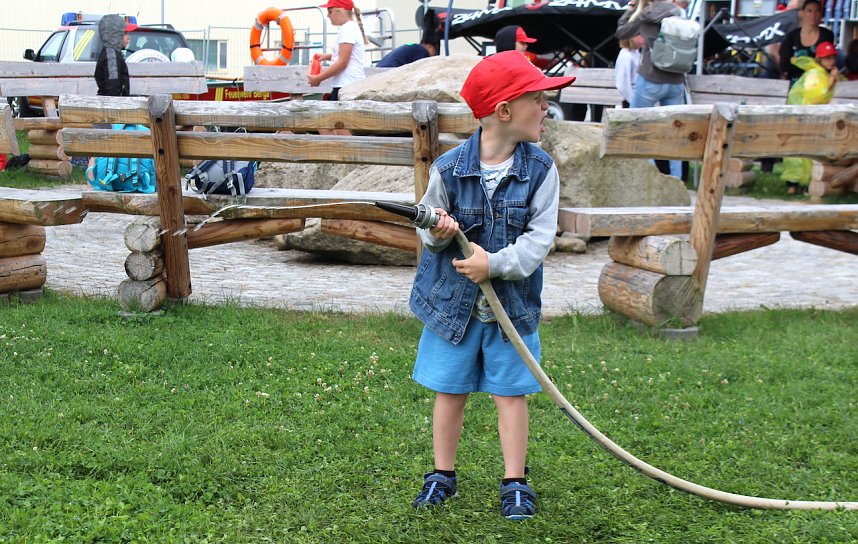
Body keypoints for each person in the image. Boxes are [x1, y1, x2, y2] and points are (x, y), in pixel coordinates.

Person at [409, 50, 573, 521]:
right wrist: (437, 232)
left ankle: (515, 481)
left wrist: (493, 264)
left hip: (511, 311)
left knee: (511, 392)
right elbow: (427, 227)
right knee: (449, 388)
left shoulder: (542, 171)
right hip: (451, 308)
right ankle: (442, 474)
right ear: (504, 111)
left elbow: (539, 240)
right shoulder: (447, 168)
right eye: (538, 100)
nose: (546, 108)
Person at [616, 0, 687, 179]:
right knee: (674, 132)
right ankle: (676, 181)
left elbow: (622, 32)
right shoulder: (678, 12)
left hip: (651, 79)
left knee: (638, 127)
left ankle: (649, 178)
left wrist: (631, 9)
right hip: (676, 80)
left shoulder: (647, 13)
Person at [781, 41, 843, 194]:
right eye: (827, 58)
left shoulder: (823, 73)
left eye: (832, 57)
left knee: (807, 152)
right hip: (801, 118)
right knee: (798, 152)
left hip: (812, 118)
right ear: (819, 59)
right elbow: (815, 96)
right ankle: (793, 184)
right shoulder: (814, 74)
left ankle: (803, 184)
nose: (831, 61)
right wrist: (832, 81)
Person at [308, 0, 367, 101]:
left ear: (341, 11)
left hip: (347, 86)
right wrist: (328, 56)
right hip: (351, 84)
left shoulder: (347, 29)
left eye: (330, 11)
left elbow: (343, 62)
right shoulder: (351, 27)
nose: (328, 15)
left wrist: (318, 78)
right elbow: (349, 56)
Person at [777, 0, 834, 84]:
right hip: (795, 83)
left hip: (818, 83)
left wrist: (798, 63)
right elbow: (784, 64)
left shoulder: (827, 35)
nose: (813, 15)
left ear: (821, 14)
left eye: (817, 11)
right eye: (809, 11)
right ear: (803, 13)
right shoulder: (792, 36)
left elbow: (827, 62)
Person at [94, 15, 135, 97]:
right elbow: (113, 88)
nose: (128, 37)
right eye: (125, 33)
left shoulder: (113, 53)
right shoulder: (111, 57)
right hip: (112, 105)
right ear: (115, 35)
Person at [615, 36, 644, 107]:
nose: (644, 38)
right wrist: (633, 101)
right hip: (630, 101)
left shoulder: (636, 53)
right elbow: (622, 84)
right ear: (631, 38)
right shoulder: (626, 56)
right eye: (640, 35)